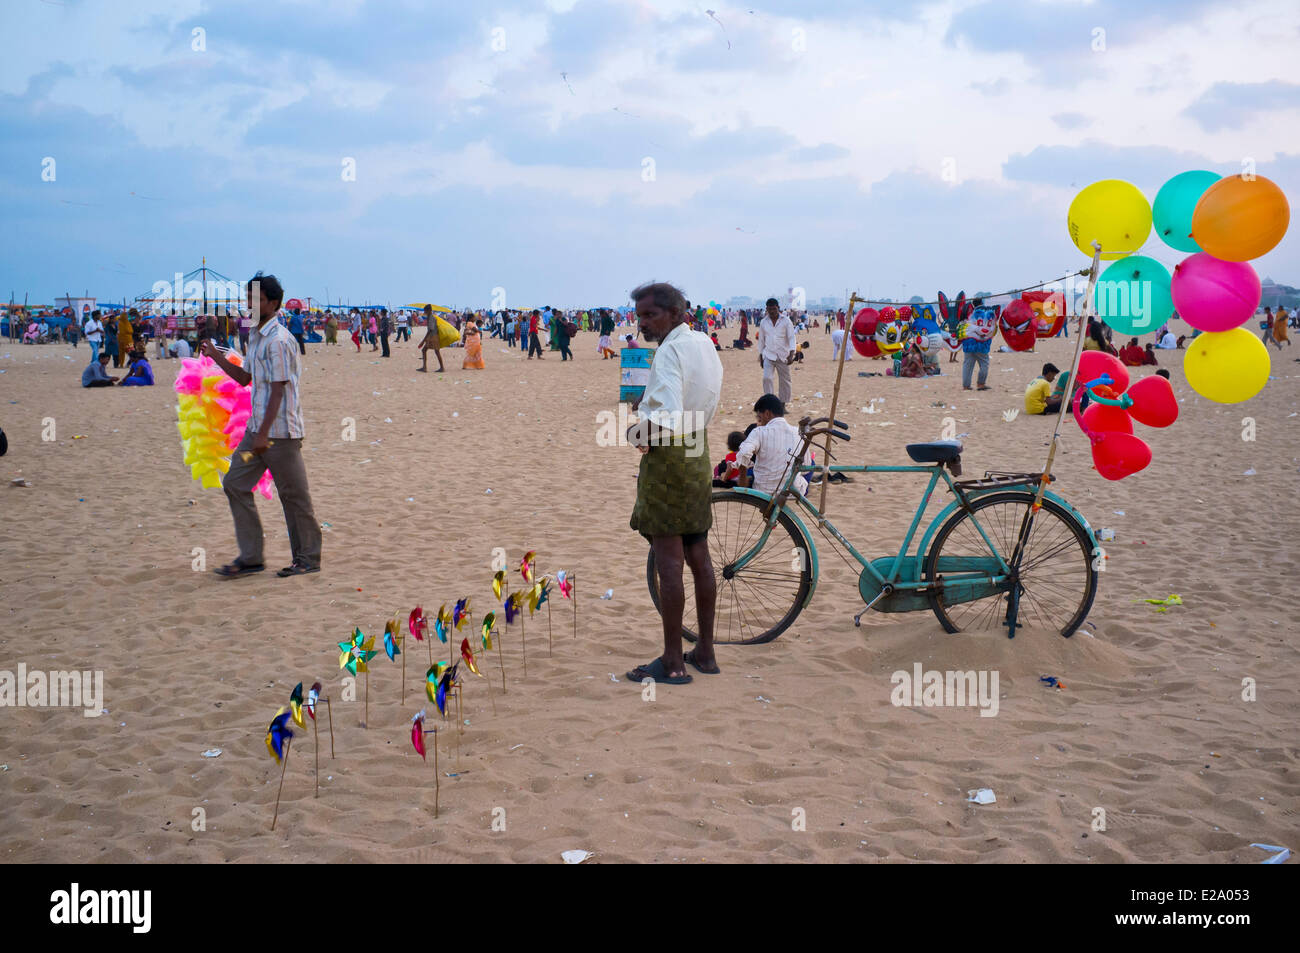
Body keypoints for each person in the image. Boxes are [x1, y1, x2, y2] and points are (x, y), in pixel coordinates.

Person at [624, 281, 723, 686]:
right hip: (698, 452)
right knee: (699, 555)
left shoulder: (669, 351)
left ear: (675, 313)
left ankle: (672, 661)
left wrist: (634, 433)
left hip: (670, 460)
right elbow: (701, 397)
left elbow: (664, 418)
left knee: (670, 562)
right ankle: (705, 652)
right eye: (640, 316)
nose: (643, 323)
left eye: (651, 315)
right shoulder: (703, 343)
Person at [203, 271, 321, 579]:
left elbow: (279, 390)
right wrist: (216, 356)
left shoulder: (279, 341)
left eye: (256, 299)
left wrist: (263, 435)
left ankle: (307, 558)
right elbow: (245, 378)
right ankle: (251, 557)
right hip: (257, 433)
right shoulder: (256, 336)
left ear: (273, 303)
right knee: (234, 483)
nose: (250, 305)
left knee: (294, 496)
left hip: (279, 436)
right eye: (248, 299)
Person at [735, 394, 808, 495]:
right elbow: (806, 466)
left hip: (764, 492)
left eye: (760, 418)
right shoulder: (798, 433)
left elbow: (743, 453)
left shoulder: (759, 432)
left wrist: (742, 478)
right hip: (792, 492)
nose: (759, 423)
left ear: (767, 414)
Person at [756, 297, 796, 404]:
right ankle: (770, 404)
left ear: (778, 308)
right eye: (770, 309)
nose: (772, 311)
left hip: (783, 356)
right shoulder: (764, 322)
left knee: (785, 381)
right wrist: (761, 357)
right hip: (768, 355)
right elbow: (761, 340)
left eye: (774, 309)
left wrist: (791, 354)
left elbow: (791, 338)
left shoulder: (786, 321)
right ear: (767, 309)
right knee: (767, 378)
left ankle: (783, 404)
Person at [961, 311, 993, 390]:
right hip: (980, 344)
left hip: (968, 342)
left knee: (967, 365)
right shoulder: (983, 313)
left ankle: (966, 386)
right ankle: (981, 384)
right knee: (984, 363)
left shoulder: (967, 312)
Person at [417, 304, 445, 372]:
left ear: (429, 310)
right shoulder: (430, 317)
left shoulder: (431, 318)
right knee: (426, 350)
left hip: (433, 337)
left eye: (425, 311)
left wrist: (423, 341)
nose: (425, 312)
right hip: (432, 336)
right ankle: (425, 367)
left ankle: (441, 368)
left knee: (436, 352)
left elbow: (430, 330)